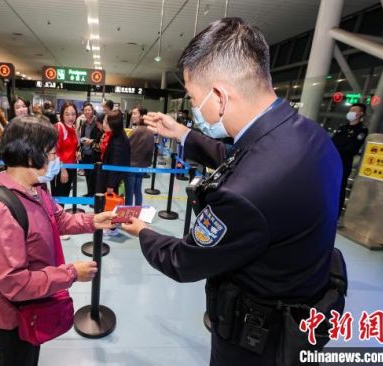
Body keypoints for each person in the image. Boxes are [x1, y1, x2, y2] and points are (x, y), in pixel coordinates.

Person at [121, 17, 343, 366]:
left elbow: (183, 261)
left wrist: (142, 231)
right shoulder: (309, 136)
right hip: (304, 311)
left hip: (258, 341)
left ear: (221, 96)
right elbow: (242, 158)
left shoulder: (243, 196)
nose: (195, 108)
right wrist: (182, 133)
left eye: (194, 98)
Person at [0, 117, 115, 366]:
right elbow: (14, 283)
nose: (55, 159)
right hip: (12, 317)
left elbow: (58, 220)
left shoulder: (35, 188)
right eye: (51, 152)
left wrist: (94, 220)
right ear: (30, 157)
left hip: (35, 303)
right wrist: (70, 273)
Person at [332, 103, 368, 217]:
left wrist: (336, 149)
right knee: (326, 186)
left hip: (343, 163)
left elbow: (352, 149)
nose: (350, 112)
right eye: (350, 110)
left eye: (354, 110)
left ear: (360, 114)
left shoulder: (361, 130)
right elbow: (331, 142)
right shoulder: (342, 128)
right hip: (331, 162)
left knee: (340, 188)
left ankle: (335, 215)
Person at [50, 102, 79, 200]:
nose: (70, 117)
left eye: (73, 114)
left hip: (71, 167)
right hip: (60, 169)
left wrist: (76, 153)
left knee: (64, 196)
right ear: (62, 114)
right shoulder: (59, 127)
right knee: (58, 200)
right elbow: (55, 151)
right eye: (67, 114)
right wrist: (62, 169)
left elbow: (70, 147)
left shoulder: (73, 127)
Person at [126, 107, 153, 205]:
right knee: (137, 190)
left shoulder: (137, 131)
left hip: (132, 166)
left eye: (134, 114)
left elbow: (127, 147)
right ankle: (138, 210)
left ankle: (128, 213)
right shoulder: (149, 131)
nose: (132, 116)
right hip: (142, 166)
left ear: (141, 116)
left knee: (129, 192)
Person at [78, 102, 103, 196]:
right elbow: (82, 136)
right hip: (85, 153)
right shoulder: (83, 123)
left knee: (95, 177)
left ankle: (95, 196)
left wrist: (91, 141)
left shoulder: (97, 122)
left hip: (94, 154)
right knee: (87, 175)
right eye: (85, 110)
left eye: (89, 110)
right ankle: (89, 194)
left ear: (93, 111)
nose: (87, 112)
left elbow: (101, 138)